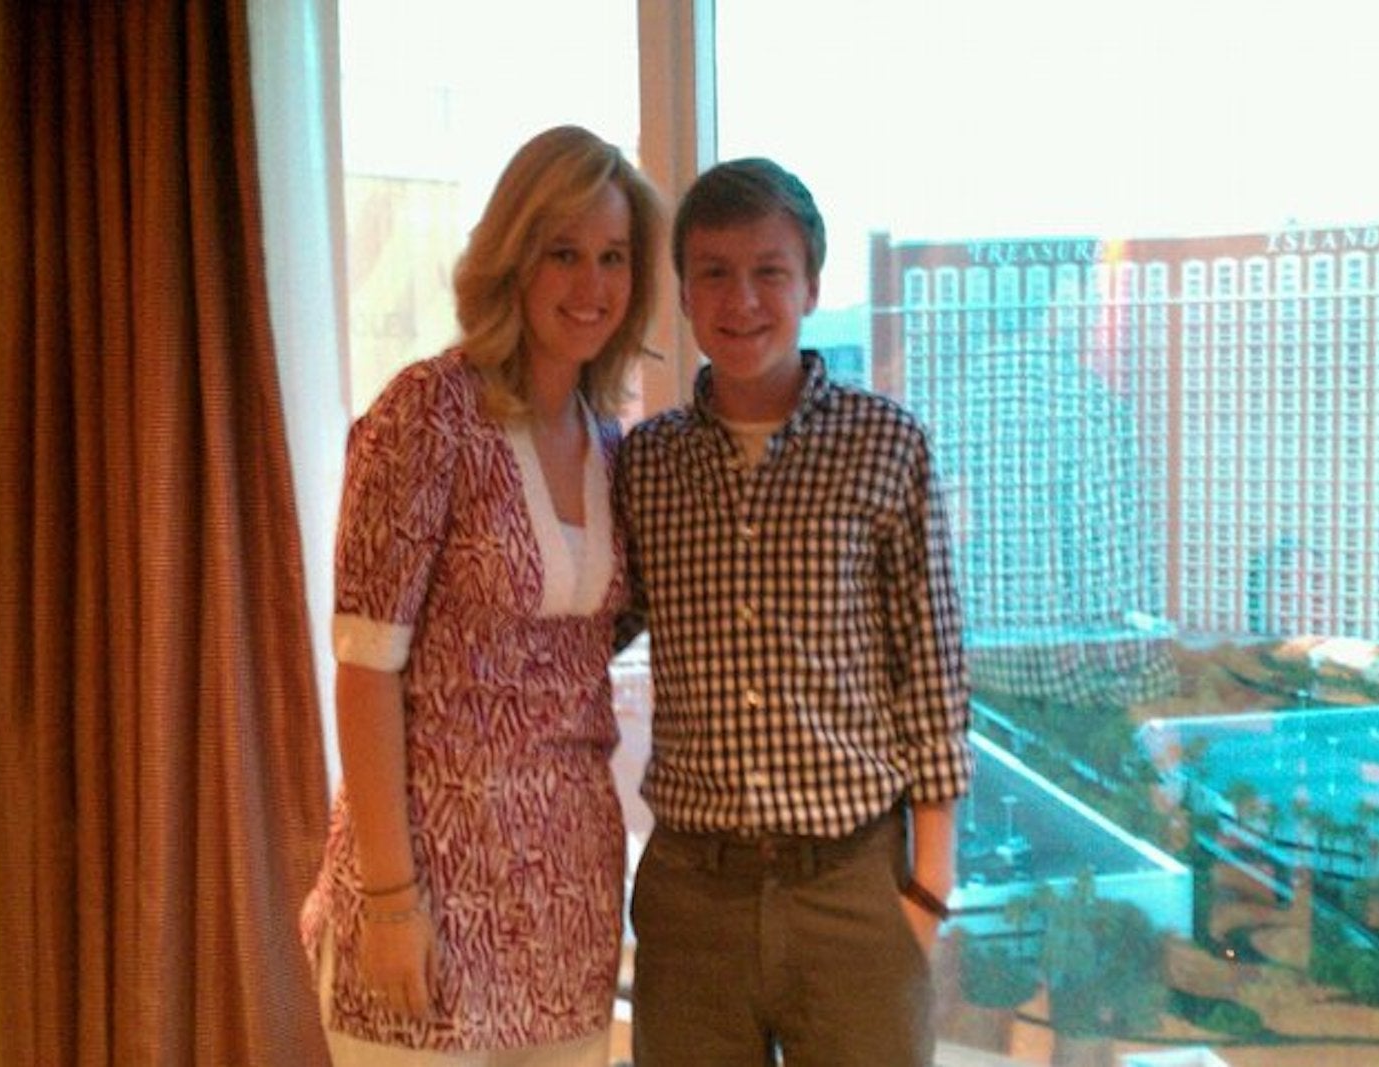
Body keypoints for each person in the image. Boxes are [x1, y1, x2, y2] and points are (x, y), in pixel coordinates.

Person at [300, 125, 664, 1067]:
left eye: (614, 257)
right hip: (429, 889)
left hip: (570, 900)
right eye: (565, 253)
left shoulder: (612, 444)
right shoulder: (428, 413)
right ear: (514, 258)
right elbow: (366, 672)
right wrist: (390, 901)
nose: (592, 285)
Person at [614, 157, 974, 1066]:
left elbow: (930, 667)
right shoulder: (646, 464)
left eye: (769, 271)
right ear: (684, 295)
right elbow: (591, 628)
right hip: (694, 895)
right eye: (714, 273)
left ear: (811, 283)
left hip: (852, 887)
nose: (742, 300)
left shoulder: (885, 442)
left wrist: (929, 885)